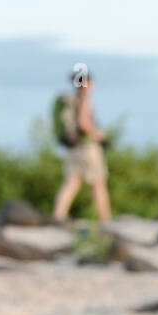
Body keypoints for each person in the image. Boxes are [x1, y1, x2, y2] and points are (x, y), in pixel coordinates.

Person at [53, 69, 111, 222]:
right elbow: (83, 123)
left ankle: (58, 216)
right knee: (98, 183)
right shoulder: (84, 98)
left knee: (72, 182)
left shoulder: (71, 99)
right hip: (87, 148)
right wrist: (99, 135)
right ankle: (105, 219)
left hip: (72, 148)